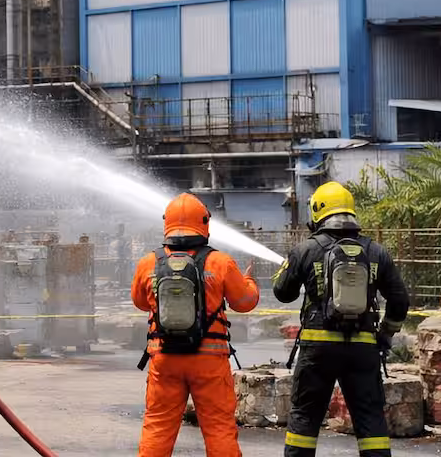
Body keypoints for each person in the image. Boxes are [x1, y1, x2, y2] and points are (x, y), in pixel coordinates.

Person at [274, 181, 409, 457]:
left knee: (305, 418)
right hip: (362, 349)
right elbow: (400, 301)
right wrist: (385, 334)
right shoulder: (375, 251)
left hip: (317, 350)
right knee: (371, 420)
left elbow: (282, 292)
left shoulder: (306, 249)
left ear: (318, 214)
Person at [131, 193, 259, 456]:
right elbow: (244, 302)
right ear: (204, 223)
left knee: (158, 425)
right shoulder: (220, 262)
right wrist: (249, 282)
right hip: (209, 360)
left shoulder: (148, 263)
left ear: (167, 223)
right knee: (219, 427)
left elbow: (140, 303)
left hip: (165, 358)